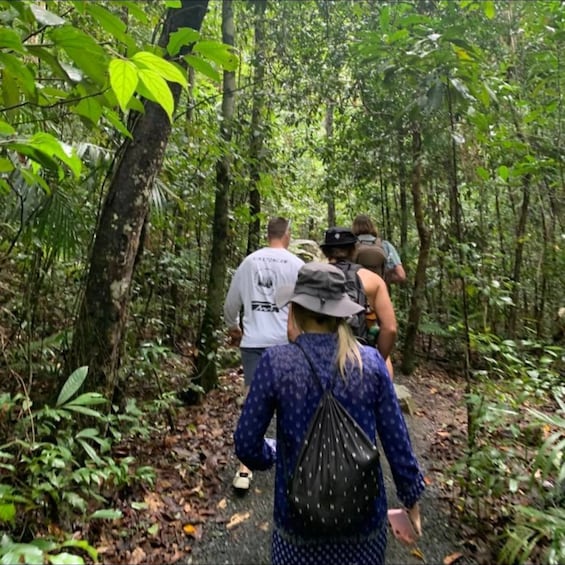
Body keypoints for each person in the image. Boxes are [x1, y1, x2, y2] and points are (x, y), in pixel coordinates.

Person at [234, 262, 425, 565]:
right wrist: (411, 499)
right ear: (342, 313)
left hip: (297, 526)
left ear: (294, 308)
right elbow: (397, 440)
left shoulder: (276, 363)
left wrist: (273, 455)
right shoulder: (371, 363)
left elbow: (246, 443)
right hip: (363, 524)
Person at [224, 217, 304, 490]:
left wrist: (234, 329)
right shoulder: (297, 265)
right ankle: (293, 463)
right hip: (286, 343)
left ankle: (245, 469)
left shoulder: (249, 262)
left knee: (252, 401)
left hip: (254, 342)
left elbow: (230, 304)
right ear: (287, 235)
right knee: (289, 402)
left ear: (269, 234)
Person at [316, 226, 397, 378]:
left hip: (322, 358)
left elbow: (293, 328)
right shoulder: (373, 280)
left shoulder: (312, 277)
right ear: (354, 250)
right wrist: (378, 360)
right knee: (387, 364)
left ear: (325, 252)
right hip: (360, 358)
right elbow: (390, 328)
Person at [352, 214, 406, 285]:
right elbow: (401, 275)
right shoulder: (385, 245)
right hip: (378, 291)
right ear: (372, 227)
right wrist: (382, 279)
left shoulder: (350, 246)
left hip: (355, 292)